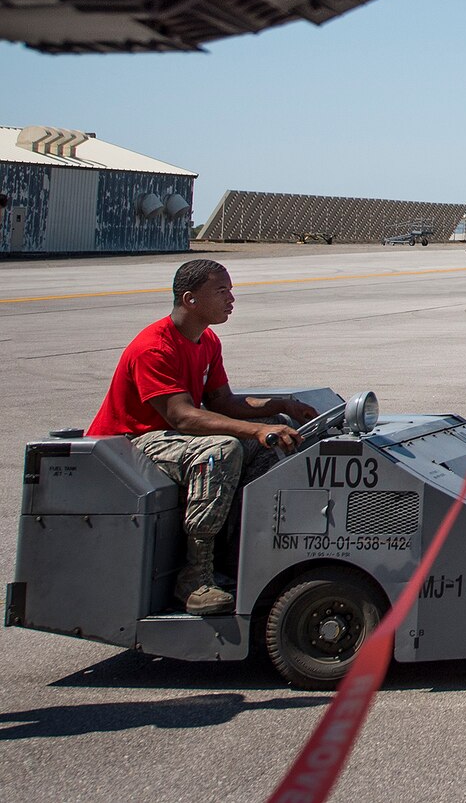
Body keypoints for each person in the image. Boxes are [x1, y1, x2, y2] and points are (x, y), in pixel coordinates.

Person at [87, 258, 313, 616]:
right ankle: (195, 577)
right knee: (221, 449)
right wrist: (258, 429)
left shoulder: (206, 340)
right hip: (128, 445)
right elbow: (182, 416)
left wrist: (283, 408)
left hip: (170, 436)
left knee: (274, 438)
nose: (231, 299)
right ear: (190, 299)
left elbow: (223, 402)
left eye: (231, 290)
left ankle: (232, 554)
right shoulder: (155, 346)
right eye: (221, 291)